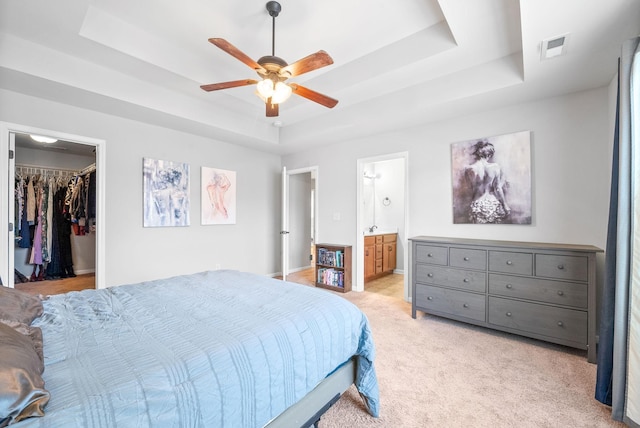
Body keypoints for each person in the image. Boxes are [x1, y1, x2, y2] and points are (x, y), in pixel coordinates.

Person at [463, 139, 511, 224]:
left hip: (476, 204)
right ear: (488, 154)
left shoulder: (468, 169)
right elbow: (497, 188)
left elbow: (469, 191)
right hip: (492, 203)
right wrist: (505, 205)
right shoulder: (495, 167)